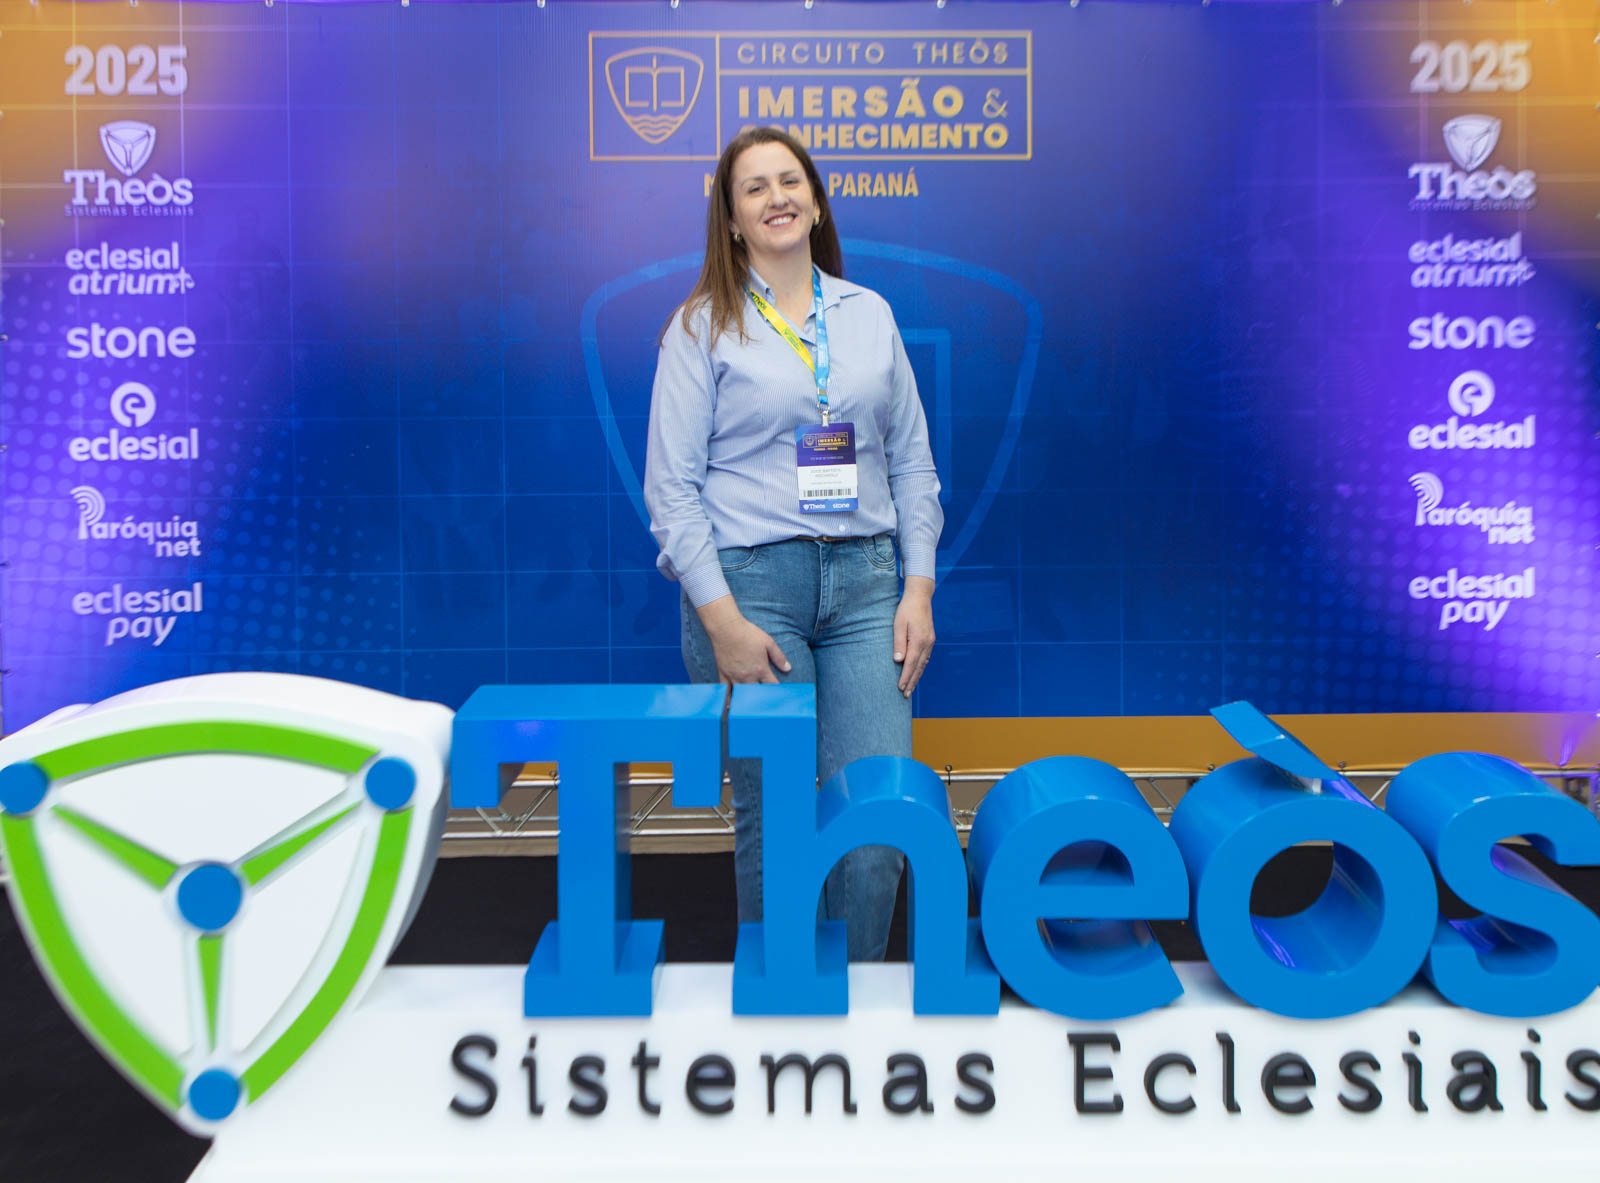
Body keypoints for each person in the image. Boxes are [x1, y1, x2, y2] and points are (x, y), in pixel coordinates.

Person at [643, 127, 941, 962]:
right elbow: (671, 490)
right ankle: (786, 1012)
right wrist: (721, 622)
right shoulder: (701, 326)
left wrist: (918, 587)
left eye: (790, 181)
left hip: (868, 590)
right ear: (732, 220)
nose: (776, 197)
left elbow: (913, 463)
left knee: (876, 824)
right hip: (750, 593)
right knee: (777, 822)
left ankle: (854, 1009)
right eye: (754, 187)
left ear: (815, 202)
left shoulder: (869, 315)